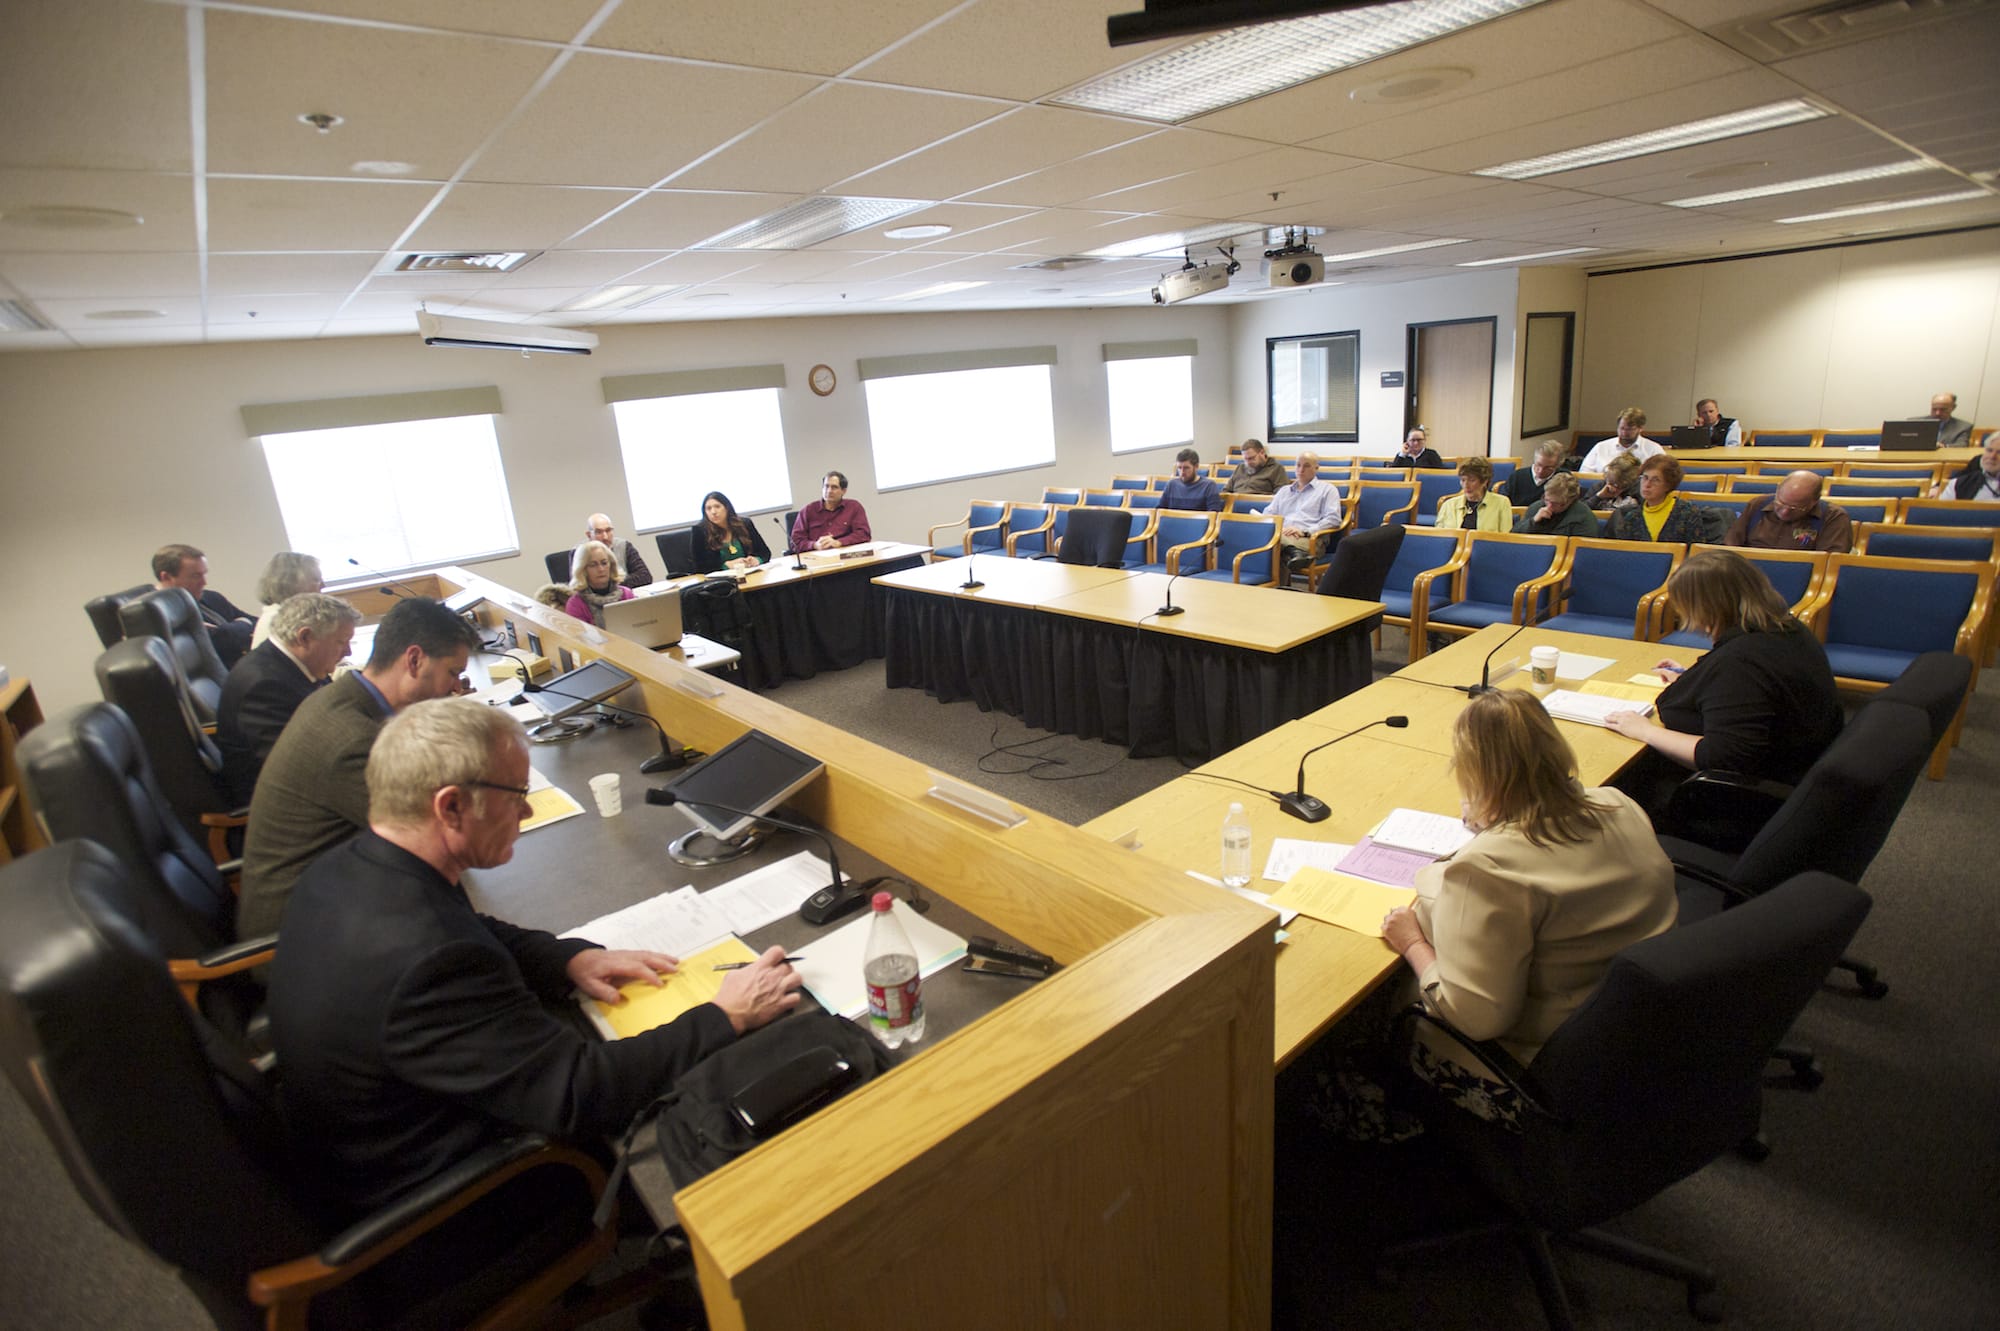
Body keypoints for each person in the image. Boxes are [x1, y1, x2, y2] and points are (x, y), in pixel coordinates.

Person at [269, 698, 802, 1215]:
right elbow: (576, 1094)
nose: (525, 810)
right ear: (450, 806)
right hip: (449, 1199)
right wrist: (723, 1016)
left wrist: (567, 960)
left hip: (369, 1133)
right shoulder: (429, 962)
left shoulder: (357, 864)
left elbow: (475, 927)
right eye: (515, 794)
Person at [1380, 690, 1676, 1094]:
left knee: (1369, 1017)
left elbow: (1475, 1018)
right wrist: (1495, 821)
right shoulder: (1618, 803)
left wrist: (1412, 942)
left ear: (1476, 773)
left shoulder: (1487, 868)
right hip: (1632, 1035)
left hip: (1541, 1070)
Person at [237, 597, 479, 939]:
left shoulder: (346, 699)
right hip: (306, 935)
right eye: (452, 673)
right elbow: (443, 841)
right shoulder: (353, 742)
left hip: (343, 893)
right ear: (413, 659)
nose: (457, 688)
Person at [1605, 549, 1842, 804]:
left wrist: (1644, 731)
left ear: (1706, 608)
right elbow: (1756, 691)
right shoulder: (1786, 630)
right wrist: (1695, 680)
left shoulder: (1741, 663)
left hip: (1737, 797)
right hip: (1800, 764)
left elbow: (1721, 757)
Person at [216, 592, 361, 805]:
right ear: (305, 637)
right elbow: (296, 765)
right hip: (282, 804)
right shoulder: (263, 686)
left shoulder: (295, 664)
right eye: (341, 642)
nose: (347, 652)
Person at [152, 542, 255, 666]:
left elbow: (255, 622)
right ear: (166, 577)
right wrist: (243, 624)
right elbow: (219, 640)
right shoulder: (162, 614)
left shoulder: (212, 597)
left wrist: (236, 627)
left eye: (204, 574)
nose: (204, 582)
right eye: (196, 576)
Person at [1724, 470, 1854, 552]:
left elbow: (1830, 562)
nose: (1785, 512)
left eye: (1795, 508)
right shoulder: (1757, 505)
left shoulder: (1834, 517)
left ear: (1814, 501)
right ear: (1777, 490)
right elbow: (1731, 545)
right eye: (1780, 503)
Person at [1265, 451, 1344, 581]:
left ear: (1316, 468)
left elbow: (1333, 519)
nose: (1301, 470)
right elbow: (1268, 514)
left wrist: (1305, 531)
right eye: (1298, 465)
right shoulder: (1284, 491)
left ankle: (1278, 590)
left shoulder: (1328, 490)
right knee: (1271, 545)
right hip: (1282, 534)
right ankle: (1293, 554)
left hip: (1310, 539)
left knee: (1275, 546)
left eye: (1306, 466)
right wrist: (1280, 528)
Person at [1606, 454, 1707, 544]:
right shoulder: (1630, 516)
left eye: (1655, 480)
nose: (1647, 485)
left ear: (1668, 485)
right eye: (1645, 478)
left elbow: (1696, 554)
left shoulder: (1687, 512)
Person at [251, 551, 323, 650]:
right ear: (294, 584)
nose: (323, 586)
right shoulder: (279, 620)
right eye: (316, 580)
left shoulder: (288, 613)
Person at [692, 490, 772, 573]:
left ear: (727, 508)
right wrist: (727, 565)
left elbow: (765, 553)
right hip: (721, 582)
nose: (713, 512)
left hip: (751, 575)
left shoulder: (745, 524)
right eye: (708, 508)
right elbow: (700, 567)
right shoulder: (700, 531)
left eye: (717, 506)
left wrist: (757, 560)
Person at [791, 470, 872, 550]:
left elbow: (864, 534)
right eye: (826, 486)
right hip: (817, 557)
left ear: (843, 491)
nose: (829, 491)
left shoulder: (854, 507)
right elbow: (795, 542)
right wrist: (814, 545)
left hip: (845, 554)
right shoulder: (807, 511)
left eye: (834, 487)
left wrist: (839, 542)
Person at [563, 540, 632, 627]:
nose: (601, 569)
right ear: (583, 569)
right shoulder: (576, 604)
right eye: (593, 565)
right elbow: (580, 638)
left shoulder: (626, 594)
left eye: (604, 563)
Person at [1433, 456, 1509, 532]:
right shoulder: (1448, 505)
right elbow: (1439, 538)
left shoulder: (1501, 503)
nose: (1466, 485)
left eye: (1472, 480)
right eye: (1463, 480)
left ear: (1484, 481)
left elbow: (1506, 538)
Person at [1512, 470, 1597, 538]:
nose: (1549, 506)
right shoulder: (1536, 507)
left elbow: (1583, 549)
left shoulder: (1583, 516)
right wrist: (1533, 521)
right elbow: (1513, 537)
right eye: (1547, 500)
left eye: (1556, 503)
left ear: (1571, 500)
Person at [1578, 407, 1663, 474]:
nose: (1624, 433)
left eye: (1630, 429)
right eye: (1622, 428)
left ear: (1640, 428)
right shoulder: (1601, 447)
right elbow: (1584, 473)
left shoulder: (1654, 449)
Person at [578, 513, 653, 588]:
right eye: (599, 532)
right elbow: (578, 584)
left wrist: (611, 585)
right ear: (589, 535)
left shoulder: (624, 546)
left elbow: (645, 576)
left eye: (608, 530)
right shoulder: (579, 552)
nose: (605, 537)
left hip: (624, 596)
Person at [1931, 432, 2000, 501]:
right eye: (1989, 450)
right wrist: (1937, 487)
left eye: (1999, 452)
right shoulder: (1959, 484)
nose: (1992, 456)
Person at [1500, 440, 1565, 506]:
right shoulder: (1517, 476)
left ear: (1557, 466)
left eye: (1548, 468)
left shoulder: (1563, 479)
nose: (1540, 471)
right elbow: (1502, 501)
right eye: (1538, 465)